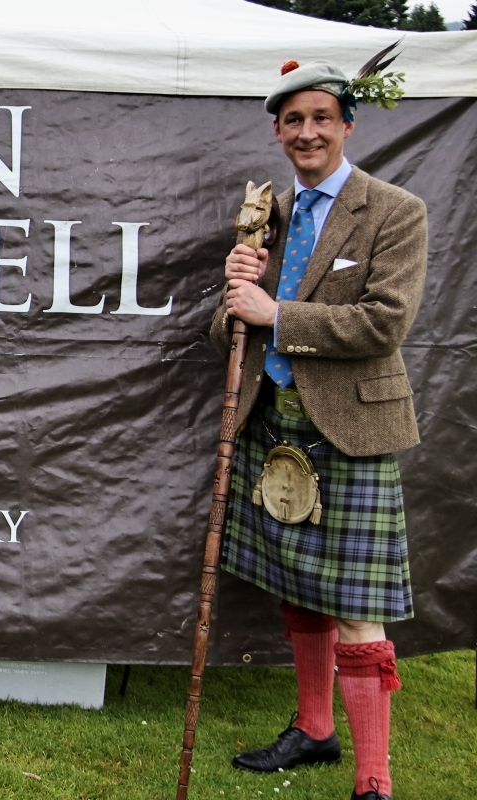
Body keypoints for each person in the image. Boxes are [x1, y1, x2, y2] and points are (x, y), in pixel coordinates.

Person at [210, 60, 426, 800]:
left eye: (321, 119)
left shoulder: (393, 210)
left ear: (346, 126)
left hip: (350, 429)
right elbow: (226, 335)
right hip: (273, 422)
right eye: (294, 120)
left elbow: (384, 323)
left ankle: (374, 779)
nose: (308, 132)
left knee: (358, 609)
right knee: (298, 590)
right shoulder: (265, 216)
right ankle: (315, 730)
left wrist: (277, 314)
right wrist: (238, 289)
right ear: (277, 130)